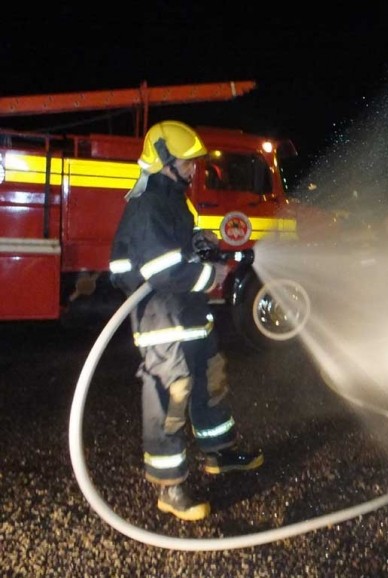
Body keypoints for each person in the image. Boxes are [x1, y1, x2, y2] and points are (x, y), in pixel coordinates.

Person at [109, 120, 263, 522]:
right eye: (187, 162)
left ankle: (220, 453)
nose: (194, 169)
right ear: (164, 160)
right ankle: (170, 487)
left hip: (190, 314)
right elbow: (162, 271)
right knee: (170, 396)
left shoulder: (174, 200)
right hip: (163, 318)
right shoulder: (148, 205)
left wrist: (202, 245)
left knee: (209, 382)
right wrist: (211, 275)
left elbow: (180, 248)